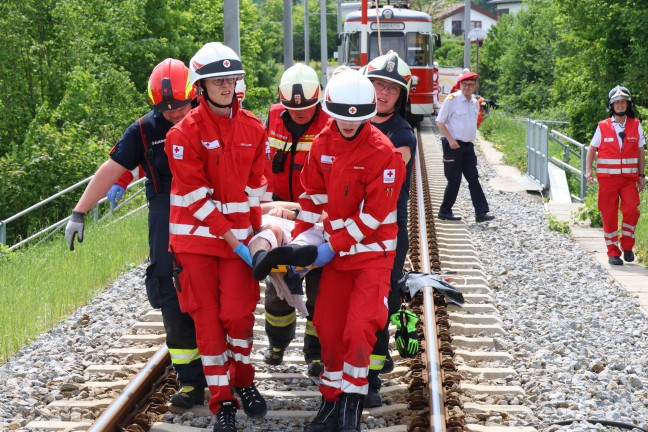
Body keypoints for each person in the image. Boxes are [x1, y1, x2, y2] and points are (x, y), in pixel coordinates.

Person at [64, 58, 207, 409]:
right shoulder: (144, 130)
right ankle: (190, 381)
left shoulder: (213, 119)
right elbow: (111, 169)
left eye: (181, 105)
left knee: (215, 290)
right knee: (170, 290)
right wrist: (79, 212)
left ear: (195, 95)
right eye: (166, 107)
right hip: (165, 210)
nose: (175, 113)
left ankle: (225, 372)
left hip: (210, 209)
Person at [163, 42, 268, 432]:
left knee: (239, 316)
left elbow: (257, 189)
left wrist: (258, 238)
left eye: (230, 79)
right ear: (200, 86)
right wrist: (234, 239)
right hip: (197, 245)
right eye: (216, 80)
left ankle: (243, 380)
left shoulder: (254, 128)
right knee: (208, 325)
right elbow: (196, 198)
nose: (226, 86)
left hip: (238, 245)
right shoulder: (182, 134)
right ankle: (221, 402)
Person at [298, 69, 405, 432]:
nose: (347, 123)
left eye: (356, 117)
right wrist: (302, 244)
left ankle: (351, 407)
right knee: (327, 329)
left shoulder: (383, 153)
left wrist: (331, 245)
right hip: (336, 258)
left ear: (368, 113)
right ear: (330, 111)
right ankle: (330, 402)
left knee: (359, 330)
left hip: (372, 257)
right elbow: (312, 200)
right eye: (341, 116)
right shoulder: (322, 145)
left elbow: (374, 216)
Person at [260, 63, 330, 377]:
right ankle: (277, 343)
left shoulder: (331, 123)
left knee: (320, 292)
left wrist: (299, 212)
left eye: (307, 108)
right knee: (277, 291)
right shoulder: (273, 117)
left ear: (318, 99)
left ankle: (315, 353)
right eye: (292, 108)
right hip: (276, 213)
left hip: (316, 218)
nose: (299, 113)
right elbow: (258, 167)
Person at [362, 51, 417, 408]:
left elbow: (380, 184)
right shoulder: (351, 121)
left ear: (401, 97)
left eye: (391, 89)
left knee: (380, 301)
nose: (383, 93)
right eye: (377, 84)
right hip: (349, 227)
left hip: (385, 231)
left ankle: (372, 377)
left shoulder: (402, 135)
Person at [585, 85, 645, 266]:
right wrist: (588, 171)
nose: (620, 105)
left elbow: (641, 152)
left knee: (632, 211)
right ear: (611, 105)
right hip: (608, 181)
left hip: (628, 180)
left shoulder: (636, 125)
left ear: (628, 104)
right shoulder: (602, 126)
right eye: (616, 102)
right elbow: (591, 150)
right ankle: (613, 252)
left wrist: (642, 175)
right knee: (609, 214)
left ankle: (627, 246)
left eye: (623, 102)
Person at [436, 71, 495, 223]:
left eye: (470, 84)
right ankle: (445, 211)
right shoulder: (452, 100)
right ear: (460, 84)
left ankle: (481, 213)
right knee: (454, 180)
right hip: (453, 146)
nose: (467, 87)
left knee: (473, 178)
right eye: (464, 84)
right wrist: (451, 141)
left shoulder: (475, 102)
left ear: (475, 86)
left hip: (468, 147)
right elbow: (440, 122)